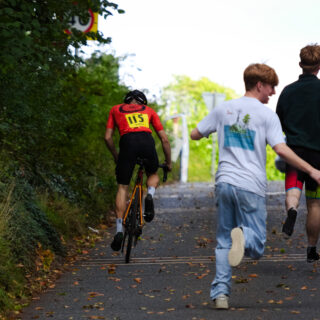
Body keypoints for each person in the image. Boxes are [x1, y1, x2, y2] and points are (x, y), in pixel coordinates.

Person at [190, 63, 320, 310]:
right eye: (271, 87)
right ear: (259, 84)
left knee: (222, 241)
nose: (272, 93)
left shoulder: (223, 109)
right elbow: (281, 149)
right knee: (257, 244)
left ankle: (220, 295)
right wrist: (311, 170)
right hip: (250, 185)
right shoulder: (266, 115)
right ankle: (245, 235)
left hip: (225, 182)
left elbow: (195, 133)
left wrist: (208, 132)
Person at [105, 90, 171, 251]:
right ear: (143, 103)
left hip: (127, 144)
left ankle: (119, 230)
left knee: (122, 187)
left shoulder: (115, 109)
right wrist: (168, 163)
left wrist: (116, 155)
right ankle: (150, 195)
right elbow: (164, 139)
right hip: (146, 142)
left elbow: (107, 137)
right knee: (152, 174)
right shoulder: (149, 111)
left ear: (126, 102)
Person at [276, 44, 320, 261]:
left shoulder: (287, 91)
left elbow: (279, 123)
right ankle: (311, 249)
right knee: (314, 203)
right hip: (318, 156)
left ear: (301, 65)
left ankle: (291, 210)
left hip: (294, 152)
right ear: (318, 67)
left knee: (293, 191)